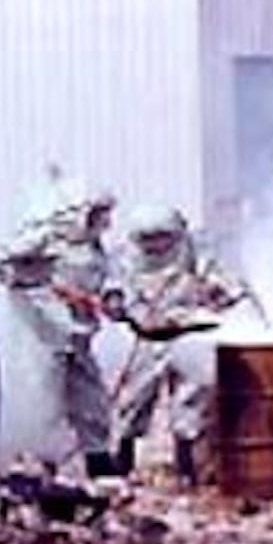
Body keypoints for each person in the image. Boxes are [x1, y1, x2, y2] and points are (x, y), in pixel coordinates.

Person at [107, 204, 250, 486]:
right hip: (147, 335)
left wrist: (224, 293)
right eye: (148, 239)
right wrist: (115, 303)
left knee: (189, 400)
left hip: (189, 333)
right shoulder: (126, 258)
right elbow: (113, 287)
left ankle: (187, 466)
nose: (156, 246)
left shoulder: (194, 250)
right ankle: (123, 462)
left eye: (162, 238)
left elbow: (223, 280)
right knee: (133, 400)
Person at [0, 172, 117, 473]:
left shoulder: (94, 248)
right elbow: (3, 266)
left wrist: (111, 300)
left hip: (78, 335)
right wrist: (45, 286)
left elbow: (106, 281)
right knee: (44, 398)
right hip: (44, 336)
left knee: (91, 398)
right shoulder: (44, 238)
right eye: (96, 213)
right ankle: (40, 461)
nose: (102, 221)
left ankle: (97, 458)